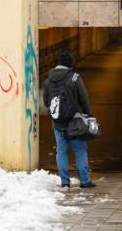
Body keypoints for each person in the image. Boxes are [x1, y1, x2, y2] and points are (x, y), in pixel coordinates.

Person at [42, 51, 96, 189]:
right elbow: (84, 99)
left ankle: (65, 182)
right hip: (75, 123)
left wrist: (55, 114)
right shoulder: (75, 78)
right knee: (80, 150)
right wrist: (89, 115)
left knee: (61, 151)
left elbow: (46, 101)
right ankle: (84, 181)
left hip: (58, 123)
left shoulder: (48, 80)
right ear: (70, 64)